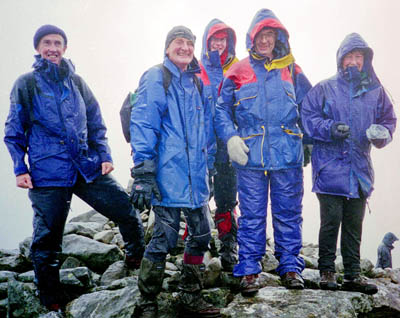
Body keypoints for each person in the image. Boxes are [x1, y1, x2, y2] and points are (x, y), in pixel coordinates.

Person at [3, 25, 145, 312]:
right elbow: (13, 131)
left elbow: (96, 123)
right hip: (48, 174)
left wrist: (104, 155)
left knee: (124, 208)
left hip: (85, 167)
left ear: (65, 48)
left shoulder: (77, 83)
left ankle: (136, 259)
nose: (53, 48)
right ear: (38, 48)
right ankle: (51, 299)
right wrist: (20, 169)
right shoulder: (26, 83)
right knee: (47, 239)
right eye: (47, 43)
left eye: (58, 43)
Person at [215, 9, 312, 295]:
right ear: (251, 38)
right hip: (250, 156)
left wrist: (309, 141)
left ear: (278, 38)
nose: (265, 41)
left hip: (287, 154)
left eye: (270, 35)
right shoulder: (238, 70)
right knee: (252, 214)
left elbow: (310, 107)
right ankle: (249, 269)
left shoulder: (293, 69)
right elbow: (221, 110)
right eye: (260, 36)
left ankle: (291, 266)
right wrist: (231, 137)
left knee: (289, 212)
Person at [130, 26, 219, 318]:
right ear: (167, 48)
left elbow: (206, 130)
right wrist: (143, 173)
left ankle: (189, 294)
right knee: (164, 239)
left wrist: (210, 168)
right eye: (179, 42)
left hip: (196, 178)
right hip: (167, 176)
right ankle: (147, 301)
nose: (185, 47)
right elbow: (143, 123)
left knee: (202, 235)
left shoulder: (198, 83)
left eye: (189, 43)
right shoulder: (157, 76)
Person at [301, 33, 396, 294]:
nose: (354, 61)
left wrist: (382, 134)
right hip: (329, 168)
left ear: (365, 61)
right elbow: (307, 117)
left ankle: (353, 274)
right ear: (341, 60)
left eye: (359, 57)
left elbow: (389, 120)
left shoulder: (376, 92)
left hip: (360, 171)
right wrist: (329, 128)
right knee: (331, 221)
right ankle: (326, 271)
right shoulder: (324, 88)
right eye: (349, 57)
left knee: (354, 223)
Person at [199, 18, 239, 272]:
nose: (218, 43)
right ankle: (198, 246)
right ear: (206, 40)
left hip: (227, 146)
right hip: (201, 146)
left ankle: (228, 246)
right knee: (199, 198)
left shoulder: (237, 69)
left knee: (226, 199)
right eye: (214, 38)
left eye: (223, 39)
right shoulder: (196, 68)